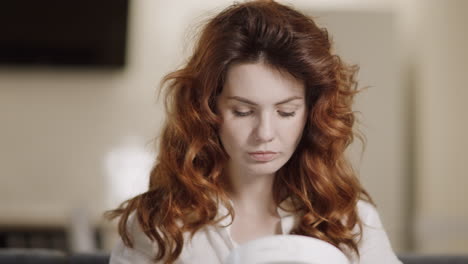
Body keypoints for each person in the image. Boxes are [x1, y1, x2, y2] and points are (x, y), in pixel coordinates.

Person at [106, 0, 402, 263]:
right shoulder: (159, 224)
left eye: (286, 112)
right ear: (208, 110)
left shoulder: (351, 220)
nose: (265, 133)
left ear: (311, 113)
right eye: (243, 111)